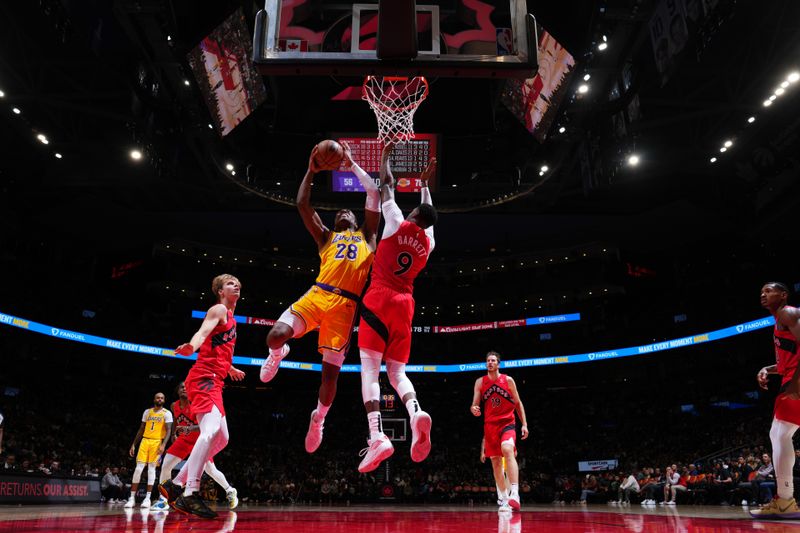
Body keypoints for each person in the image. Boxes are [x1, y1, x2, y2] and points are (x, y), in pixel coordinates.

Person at [260, 142, 380, 455]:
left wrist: (353, 164)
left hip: (345, 306)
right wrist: (311, 172)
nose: (342, 211)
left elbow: (374, 196)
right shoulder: (326, 237)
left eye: (347, 211)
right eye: (338, 210)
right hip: (317, 294)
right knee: (274, 336)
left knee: (329, 375)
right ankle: (278, 354)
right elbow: (302, 205)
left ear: (355, 221)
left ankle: (319, 419)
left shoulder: (368, 237)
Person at [356, 144, 438, 473]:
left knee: (370, 371)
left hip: (379, 296)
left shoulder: (396, 221)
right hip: (405, 305)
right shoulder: (429, 243)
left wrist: (385, 155)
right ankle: (415, 410)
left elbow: (386, 184)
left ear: (413, 215)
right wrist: (424, 187)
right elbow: (430, 219)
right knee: (397, 373)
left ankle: (377, 436)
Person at [161, 274, 246, 519]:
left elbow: (220, 348)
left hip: (216, 381)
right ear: (220, 291)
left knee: (222, 438)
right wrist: (191, 346)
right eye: (230, 283)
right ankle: (189, 492)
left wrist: (230, 368)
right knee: (209, 432)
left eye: (237, 282)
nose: (236, 285)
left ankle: (177, 482)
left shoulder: (233, 320)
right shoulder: (218, 309)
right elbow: (203, 332)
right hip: (203, 379)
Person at [751, 281, 800, 519]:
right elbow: (785, 363)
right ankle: (785, 499)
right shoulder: (780, 320)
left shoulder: (787, 313)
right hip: (790, 378)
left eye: (769, 290)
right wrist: (767, 369)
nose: (763, 293)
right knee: (780, 434)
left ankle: (785, 500)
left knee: (780, 433)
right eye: (761, 291)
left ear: (783, 295)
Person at [152, 381, 238, 511]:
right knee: (166, 465)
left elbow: (205, 426)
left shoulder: (196, 404)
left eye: (187, 387)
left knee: (210, 470)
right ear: (177, 390)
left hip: (199, 440)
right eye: (181, 387)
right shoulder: (174, 405)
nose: (184, 389)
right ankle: (163, 500)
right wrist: (174, 435)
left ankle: (230, 490)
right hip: (183, 440)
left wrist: (189, 429)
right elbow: (176, 421)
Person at [470, 351, 529, 510]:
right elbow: (475, 404)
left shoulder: (508, 380)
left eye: (493, 360)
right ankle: (503, 498)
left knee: (507, 449)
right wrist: (474, 409)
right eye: (488, 360)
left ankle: (514, 493)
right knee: (495, 462)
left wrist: (524, 424)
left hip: (507, 422)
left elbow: (518, 403)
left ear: (498, 364)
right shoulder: (480, 382)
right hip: (490, 425)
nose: (490, 362)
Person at [125, 392, 173, 508]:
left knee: (152, 470)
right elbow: (141, 429)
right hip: (145, 441)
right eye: (158, 397)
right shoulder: (147, 412)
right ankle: (131, 498)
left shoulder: (167, 413)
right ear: (154, 399)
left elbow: (168, 430)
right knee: (138, 469)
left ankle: (147, 498)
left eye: (162, 398)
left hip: (157, 442)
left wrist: (163, 445)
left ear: (164, 400)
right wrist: (133, 444)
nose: (160, 399)